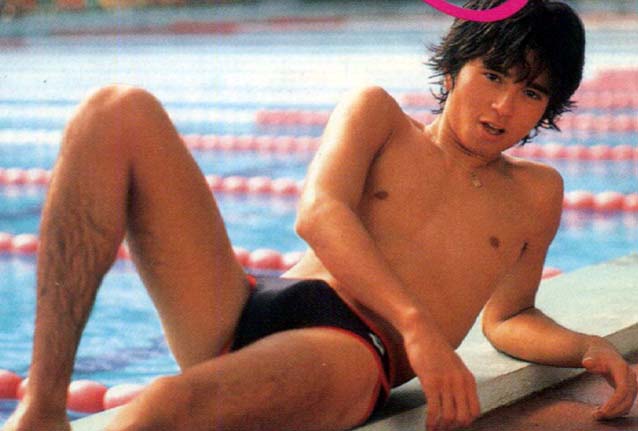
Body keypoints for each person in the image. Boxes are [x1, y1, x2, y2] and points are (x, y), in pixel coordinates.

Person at [4, 0, 637, 430]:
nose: (502, 106)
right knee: (116, 110)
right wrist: (419, 326)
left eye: (530, 92)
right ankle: (43, 404)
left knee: (165, 405)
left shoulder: (535, 193)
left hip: (354, 351)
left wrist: (585, 348)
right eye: (493, 75)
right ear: (452, 67)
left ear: (550, 109)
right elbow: (318, 212)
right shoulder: (378, 116)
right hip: (254, 302)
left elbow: (510, 316)